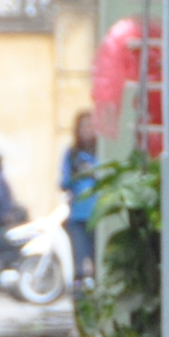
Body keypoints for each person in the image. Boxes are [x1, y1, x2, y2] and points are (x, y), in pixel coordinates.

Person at [60, 109, 101, 286]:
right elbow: (63, 182)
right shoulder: (71, 154)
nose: (87, 130)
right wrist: (78, 174)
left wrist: (94, 171)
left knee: (98, 263)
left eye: (91, 126)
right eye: (83, 126)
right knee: (79, 264)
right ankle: (79, 298)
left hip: (99, 215)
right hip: (78, 217)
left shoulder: (102, 152)